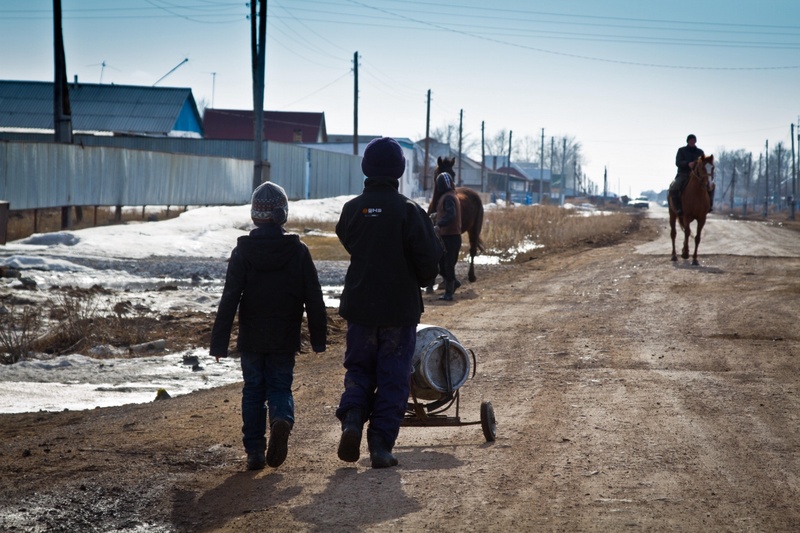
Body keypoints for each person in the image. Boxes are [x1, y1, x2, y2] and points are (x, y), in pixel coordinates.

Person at [335, 137, 441, 468]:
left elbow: (349, 240)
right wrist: (420, 278)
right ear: (399, 171)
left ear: (367, 168)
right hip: (398, 311)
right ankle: (380, 445)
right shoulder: (409, 211)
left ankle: (353, 419)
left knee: (359, 369)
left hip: (361, 309)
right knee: (394, 375)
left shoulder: (352, 210)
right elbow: (429, 262)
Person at [210, 181, 327, 471]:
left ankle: (254, 452)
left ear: (254, 216)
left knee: (252, 390)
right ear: (283, 215)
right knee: (279, 386)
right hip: (284, 335)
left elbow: (229, 299)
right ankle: (281, 420)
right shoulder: (298, 251)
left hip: (251, 336)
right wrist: (318, 338)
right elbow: (314, 297)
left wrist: (219, 343)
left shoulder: (243, 252)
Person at [433, 172, 462, 301]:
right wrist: (436, 215)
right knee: (441, 263)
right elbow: (446, 212)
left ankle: (449, 292)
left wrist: (439, 224)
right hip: (448, 236)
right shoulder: (449, 196)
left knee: (448, 264)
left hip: (451, 236)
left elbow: (451, 214)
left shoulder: (449, 197)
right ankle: (453, 282)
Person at [670, 134, 714, 214]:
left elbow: (703, 164)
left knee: (711, 186)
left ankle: (709, 205)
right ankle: (678, 207)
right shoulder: (681, 150)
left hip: (697, 176)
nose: (692, 142)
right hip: (683, 174)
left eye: (693, 140)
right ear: (688, 141)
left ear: (695, 141)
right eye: (690, 140)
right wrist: (687, 164)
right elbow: (678, 162)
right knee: (674, 187)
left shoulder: (700, 152)